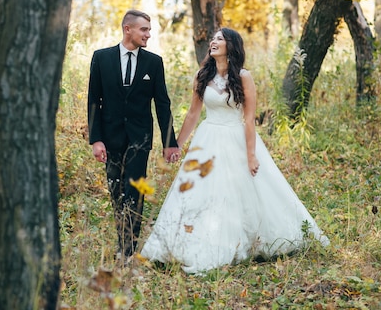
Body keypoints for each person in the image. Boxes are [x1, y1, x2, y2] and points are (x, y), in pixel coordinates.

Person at [140, 27, 329, 274]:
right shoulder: (202, 75)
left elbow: (249, 120)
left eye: (219, 38)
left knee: (240, 191)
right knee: (198, 191)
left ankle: (246, 240)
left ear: (231, 45)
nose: (213, 41)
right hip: (207, 138)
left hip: (235, 139)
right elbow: (193, 113)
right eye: (213, 38)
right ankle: (184, 244)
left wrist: (251, 155)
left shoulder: (243, 76)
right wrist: (176, 144)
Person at [88, 9, 182, 261]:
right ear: (127, 29)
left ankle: (128, 250)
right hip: (110, 138)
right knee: (116, 191)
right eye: (144, 30)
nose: (148, 35)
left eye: (149, 30)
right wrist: (96, 139)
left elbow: (163, 104)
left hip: (140, 139)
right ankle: (123, 240)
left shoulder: (154, 62)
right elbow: (93, 101)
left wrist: (169, 142)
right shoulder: (101, 58)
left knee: (134, 191)